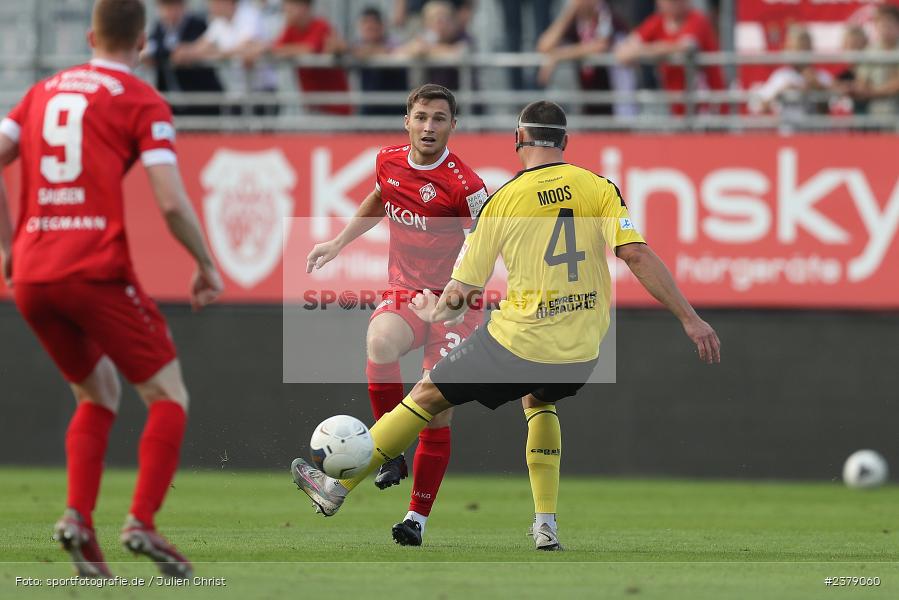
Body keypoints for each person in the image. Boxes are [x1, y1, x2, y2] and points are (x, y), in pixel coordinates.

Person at [291, 100, 720, 550]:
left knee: (426, 395)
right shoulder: (600, 188)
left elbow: (457, 293)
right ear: (565, 143)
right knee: (539, 401)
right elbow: (635, 253)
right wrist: (690, 320)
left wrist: (430, 314)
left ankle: (336, 488)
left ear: (518, 140)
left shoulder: (503, 199)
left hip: (516, 344)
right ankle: (546, 525)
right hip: (581, 355)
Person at [0, 0, 223, 578]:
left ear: (91, 34)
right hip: (92, 269)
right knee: (169, 395)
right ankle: (141, 522)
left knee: (97, 393)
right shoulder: (142, 100)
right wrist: (204, 262)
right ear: (143, 42)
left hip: (31, 275)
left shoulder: (40, 92)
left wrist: (6, 246)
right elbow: (171, 201)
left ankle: (77, 519)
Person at [304, 84, 488, 546]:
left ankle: (415, 521)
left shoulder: (468, 186)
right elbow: (379, 199)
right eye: (421, 116)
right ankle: (389, 454)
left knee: (435, 408)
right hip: (406, 291)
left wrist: (450, 302)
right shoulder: (387, 160)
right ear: (407, 120)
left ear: (452, 126)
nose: (428, 126)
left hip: (456, 306)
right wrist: (338, 242)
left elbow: (487, 249)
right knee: (379, 341)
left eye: (439, 118)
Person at [614, 0, 725, 116]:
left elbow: (683, 47)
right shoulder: (657, 21)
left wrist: (642, 51)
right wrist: (642, 51)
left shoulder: (697, 19)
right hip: (677, 109)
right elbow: (623, 52)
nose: (674, 3)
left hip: (708, 107)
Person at [173, 0, 277, 115]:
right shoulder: (218, 22)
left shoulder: (249, 14)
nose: (210, 6)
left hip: (262, 92)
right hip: (238, 93)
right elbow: (201, 47)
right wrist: (184, 51)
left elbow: (245, 46)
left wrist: (215, 53)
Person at [536, 0, 631, 115]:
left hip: (616, 101)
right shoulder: (576, 21)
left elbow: (600, 46)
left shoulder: (606, 14)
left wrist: (559, 55)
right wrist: (569, 13)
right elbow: (544, 46)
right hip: (588, 100)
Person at [270, 0, 351, 116]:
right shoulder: (291, 29)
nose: (286, 11)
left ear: (304, 7)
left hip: (335, 107)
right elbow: (275, 49)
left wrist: (286, 50)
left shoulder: (321, 25)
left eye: (290, 6)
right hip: (312, 105)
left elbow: (309, 49)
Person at [143, 0, 223, 116]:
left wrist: (181, 53)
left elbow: (188, 52)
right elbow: (150, 50)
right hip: (172, 97)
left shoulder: (197, 25)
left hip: (201, 96)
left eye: (173, 6)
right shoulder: (159, 28)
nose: (170, 12)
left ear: (182, 6)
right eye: (165, 7)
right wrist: (168, 53)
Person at [752, 25, 832, 121]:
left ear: (811, 48)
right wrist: (781, 92)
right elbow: (761, 107)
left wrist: (816, 88)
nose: (801, 53)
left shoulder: (822, 76)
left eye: (804, 47)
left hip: (815, 134)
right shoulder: (781, 76)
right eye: (797, 48)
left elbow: (827, 111)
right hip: (790, 133)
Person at [397, 1, 472, 91]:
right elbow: (409, 50)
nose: (439, 23)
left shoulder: (462, 36)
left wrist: (428, 50)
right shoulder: (427, 38)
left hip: (458, 99)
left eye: (443, 18)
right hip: (433, 97)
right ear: (426, 23)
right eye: (433, 19)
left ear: (453, 20)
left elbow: (460, 53)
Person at [352, 6, 409, 116]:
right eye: (365, 23)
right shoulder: (357, 46)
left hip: (396, 110)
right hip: (368, 111)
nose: (369, 27)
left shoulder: (394, 42)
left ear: (382, 26)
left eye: (373, 23)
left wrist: (372, 52)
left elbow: (402, 50)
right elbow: (350, 50)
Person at [851, 4, 899, 119]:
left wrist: (872, 93)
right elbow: (862, 82)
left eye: (890, 24)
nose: (886, 29)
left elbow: (896, 85)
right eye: (882, 24)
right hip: (876, 112)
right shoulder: (869, 51)